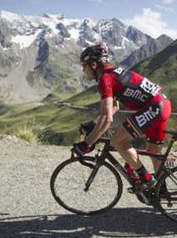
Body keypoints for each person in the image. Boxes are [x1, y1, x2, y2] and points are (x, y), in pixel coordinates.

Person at [72, 43, 171, 190]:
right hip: (163, 104)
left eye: (84, 65)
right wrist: (93, 124)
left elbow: (107, 119)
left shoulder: (105, 79)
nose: (83, 69)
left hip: (154, 108)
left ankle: (146, 178)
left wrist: (87, 143)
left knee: (117, 141)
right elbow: (114, 107)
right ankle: (161, 191)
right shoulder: (114, 73)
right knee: (153, 151)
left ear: (93, 64)